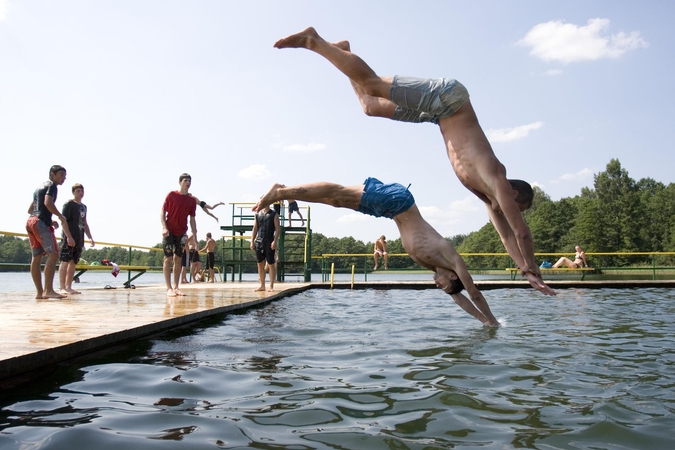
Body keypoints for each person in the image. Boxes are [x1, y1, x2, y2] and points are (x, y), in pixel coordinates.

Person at [274, 27, 554, 297]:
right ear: (515, 194)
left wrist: (524, 269)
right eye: (519, 208)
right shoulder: (498, 181)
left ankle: (343, 50)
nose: (513, 212)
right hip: (449, 99)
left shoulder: (487, 197)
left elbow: (507, 236)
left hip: (438, 114)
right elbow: (521, 233)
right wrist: (533, 270)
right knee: (372, 83)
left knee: (369, 106)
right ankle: (314, 40)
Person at [253, 178, 500, 326]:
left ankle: (286, 191)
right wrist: (493, 319)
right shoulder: (451, 260)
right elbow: (473, 293)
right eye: (444, 285)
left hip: (389, 210)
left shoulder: (434, 267)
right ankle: (280, 192)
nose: (439, 286)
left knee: (336, 201)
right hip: (399, 200)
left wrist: (483, 323)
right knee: (338, 192)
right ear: (454, 277)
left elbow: (458, 297)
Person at [26, 165, 74, 299]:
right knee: (53, 255)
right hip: (40, 223)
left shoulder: (38, 188)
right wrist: (59, 216)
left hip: (31, 221)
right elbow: (48, 203)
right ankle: (49, 290)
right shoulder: (52, 186)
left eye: (65, 175)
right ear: (52, 174)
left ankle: (40, 293)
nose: (64, 178)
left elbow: (31, 209)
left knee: (36, 257)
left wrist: (49, 219)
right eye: (61, 175)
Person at [161, 173, 198, 297]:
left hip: (182, 232)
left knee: (178, 259)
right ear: (180, 182)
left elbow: (192, 219)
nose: (188, 183)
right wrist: (164, 227)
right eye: (185, 180)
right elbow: (162, 212)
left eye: (189, 181)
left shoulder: (192, 200)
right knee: (168, 258)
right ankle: (168, 288)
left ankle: (176, 287)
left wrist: (195, 234)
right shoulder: (171, 195)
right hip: (169, 230)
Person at [58, 183, 95, 295]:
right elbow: (63, 221)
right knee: (65, 261)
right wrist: (68, 236)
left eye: (82, 190)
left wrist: (90, 237)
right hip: (69, 237)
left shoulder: (84, 207)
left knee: (73, 262)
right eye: (78, 190)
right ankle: (62, 287)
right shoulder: (69, 204)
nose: (80, 193)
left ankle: (69, 286)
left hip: (79, 238)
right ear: (73, 192)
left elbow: (85, 223)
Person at [250, 202, 280, 292]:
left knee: (271, 264)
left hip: (269, 241)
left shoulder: (273, 214)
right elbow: (255, 228)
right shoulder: (257, 215)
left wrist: (275, 241)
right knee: (260, 264)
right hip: (259, 241)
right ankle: (262, 285)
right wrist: (252, 241)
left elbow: (278, 228)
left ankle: (271, 286)